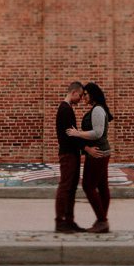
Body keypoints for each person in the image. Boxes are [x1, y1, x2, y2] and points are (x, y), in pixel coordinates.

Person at [67, 81, 114, 233]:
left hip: (97, 153)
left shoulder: (98, 110)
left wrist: (77, 133)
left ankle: (102, 220)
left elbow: (98, 133)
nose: (83, 97)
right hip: (99, 152)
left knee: (88, 186)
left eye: (86, 94)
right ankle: (102, 221)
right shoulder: (97, 109)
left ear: (92, 94)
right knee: (102, 187)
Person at [54, 81, 88, 233]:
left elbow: (74, 134)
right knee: (65, 187)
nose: (81, 99)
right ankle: (60, 222)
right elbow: (70, 135)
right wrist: (86, 148)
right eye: (80, 96)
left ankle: (69, 221)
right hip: (68, 154)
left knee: (72, 187)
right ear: (73, 92)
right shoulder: (65, 109)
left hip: (72, 154)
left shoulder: (67, 109)